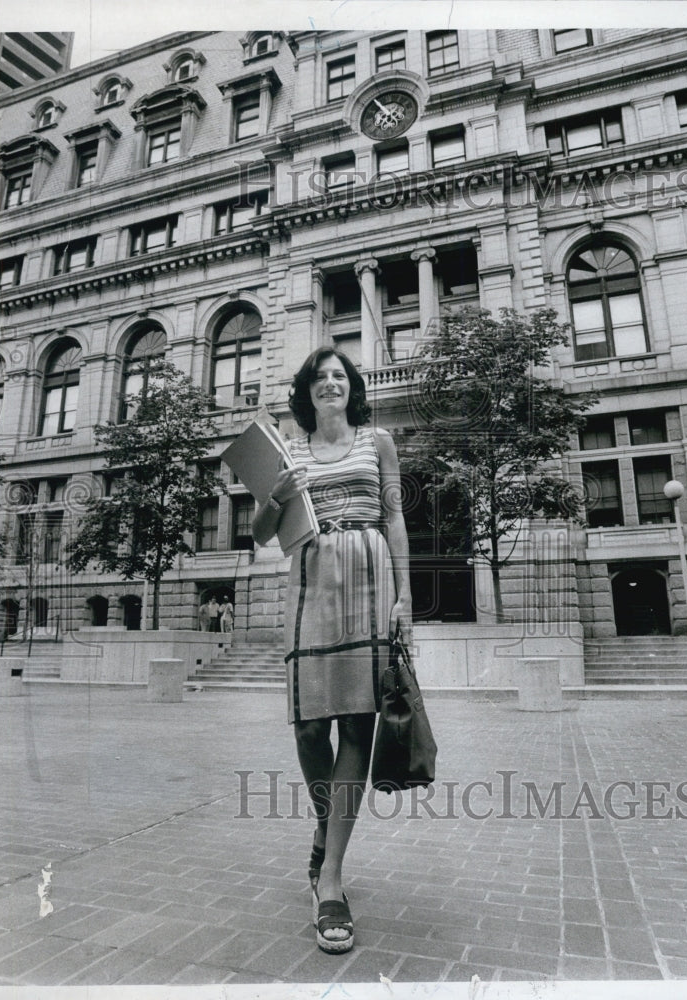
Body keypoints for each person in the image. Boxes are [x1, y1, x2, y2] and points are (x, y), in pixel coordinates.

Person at [252, 347, 412, 955]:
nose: (329, 385)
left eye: (339, 377)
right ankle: (328, 824)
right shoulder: (288, 452)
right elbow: (264, 534)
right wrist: (274, 497)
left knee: (356, 726)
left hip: (371, 579)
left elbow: (396, 521)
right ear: (306, 392)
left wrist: (405, 599)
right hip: (311, 583)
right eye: (319, 378)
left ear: (353, 389)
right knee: (308, 729)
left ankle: (331, 880)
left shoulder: (380, 442)